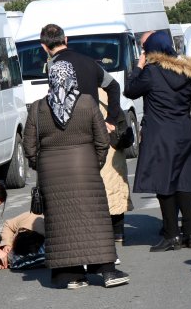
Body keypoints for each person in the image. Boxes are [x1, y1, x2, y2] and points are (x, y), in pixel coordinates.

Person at [22, 61, 129, 289]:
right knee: (94, 220)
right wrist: (95, 163)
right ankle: (106, 270)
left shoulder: (38, 108)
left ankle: (68, 275)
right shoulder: (87, 103)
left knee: (61, 224)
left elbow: (29, 147)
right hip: (85, 169)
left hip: (52, 174)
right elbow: (102, 140)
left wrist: (41, 166)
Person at [124, 31, 191, 252]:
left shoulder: (151, 73)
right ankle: (190, 233)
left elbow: (130, 90)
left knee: (163, 184)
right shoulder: (188, 72)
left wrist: (138, 66)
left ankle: (171, 235)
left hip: (160, 133)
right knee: (185, 183)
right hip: (185, 130)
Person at [40, 24, 123, 131]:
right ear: (65, 40)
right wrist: (111, 119)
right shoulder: (89, 62)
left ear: (44, 46)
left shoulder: (54, 67)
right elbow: (114, 86)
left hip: (70, 130)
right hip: (94, 126)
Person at [98, 88, 134, 243]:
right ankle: (118, 232)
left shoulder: (82, 95)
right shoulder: (108, 93)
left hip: (100, 146)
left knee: (102, 190)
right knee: (116, 188)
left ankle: (105, 232)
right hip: (114, 146)